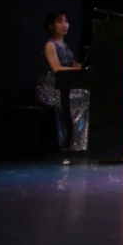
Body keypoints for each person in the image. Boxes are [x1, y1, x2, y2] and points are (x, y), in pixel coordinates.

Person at [36, 11, 88, 151]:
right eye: (60, 22)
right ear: (51, 26)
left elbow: (74, 64)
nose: (65, 25)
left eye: (66, 21)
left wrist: (87, 67)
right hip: (50, 89)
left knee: (87, 94)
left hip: (63, 87)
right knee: (84, 97)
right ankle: (74, 143)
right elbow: (57, 69)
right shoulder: (50, 45)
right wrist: (81, 70)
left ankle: (81, 141)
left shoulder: (65, 45)